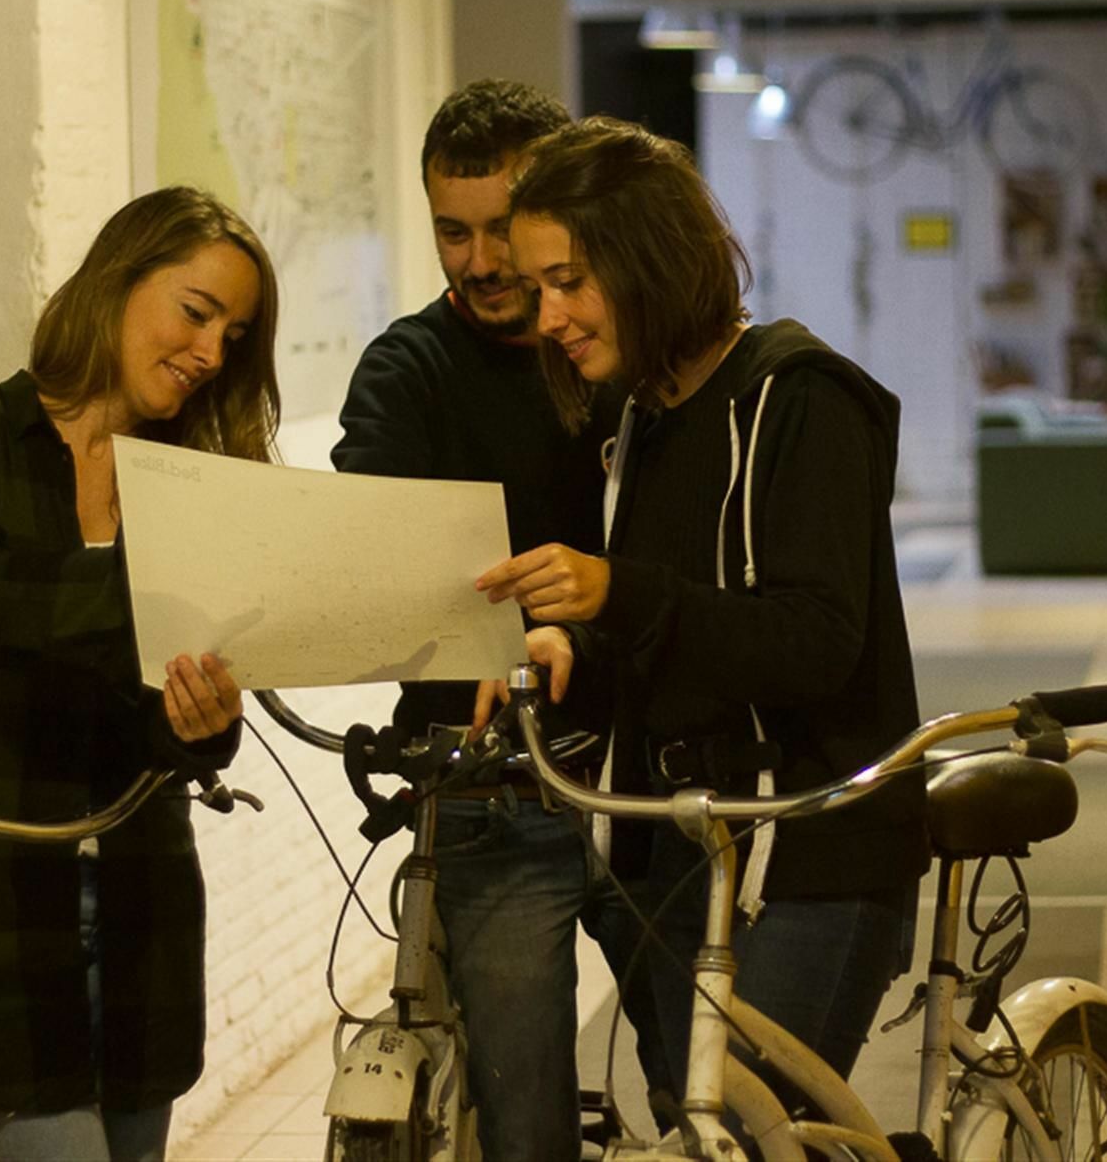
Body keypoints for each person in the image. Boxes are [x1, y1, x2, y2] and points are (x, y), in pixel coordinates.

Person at [475, 117, 929, 1109]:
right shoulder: (642, 417)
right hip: (672, 847)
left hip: (811, 847)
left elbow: (814, 643)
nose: (548, 315)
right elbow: (670, 641)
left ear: (647, 256)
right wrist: (572, 644)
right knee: (698, 1129)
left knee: (744, 1125)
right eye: (537, 286)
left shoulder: (799, 400)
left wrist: (615, 591)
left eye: (568, 280)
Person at [0, 187, 280, 1162]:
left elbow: (167, 728)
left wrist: (201, 718)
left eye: (233, 335)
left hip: (146, 887)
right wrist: (167, 577)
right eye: (196, 312)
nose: (209, 352)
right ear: (115, 277)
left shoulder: (185, 478)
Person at [333, 80, 662, 1159]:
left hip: (644, 774)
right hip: (485, 790)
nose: (479, 263)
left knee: (713, 1092)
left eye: (500, 232)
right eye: (450, 231)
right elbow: (370, 545)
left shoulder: (621, 362)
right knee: (526, 1128)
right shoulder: (407, 370)